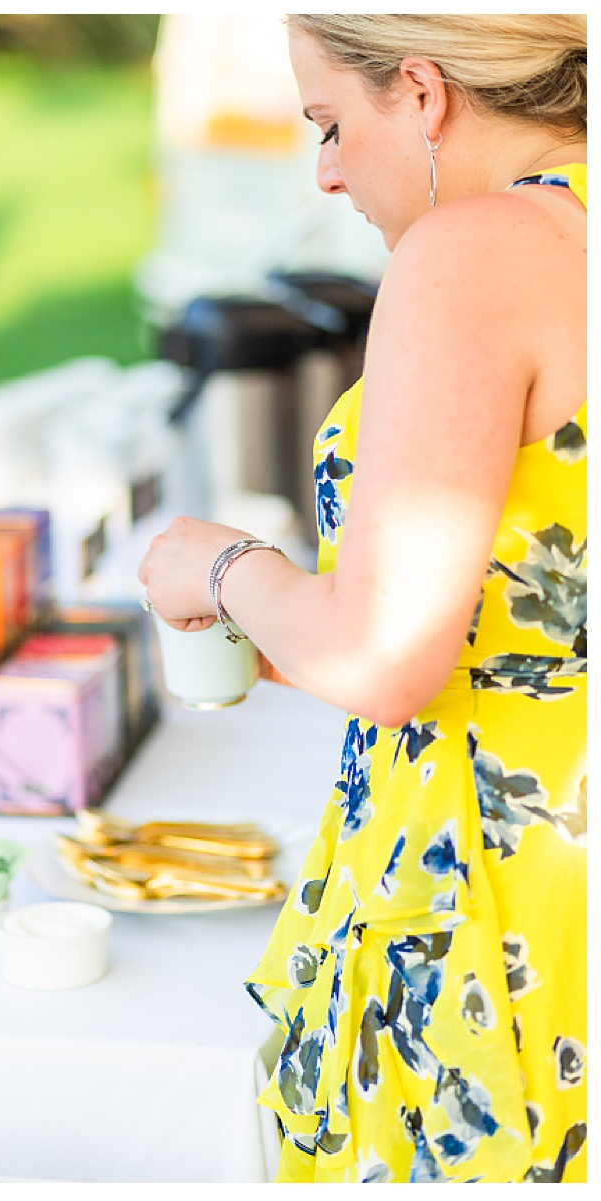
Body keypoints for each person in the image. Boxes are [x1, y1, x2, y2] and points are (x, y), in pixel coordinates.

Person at [137, 15, 586, 1183]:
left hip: (503, 906)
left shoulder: (479, 251)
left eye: (332, 124)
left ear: (425, 93)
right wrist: (304, 634)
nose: (326, 170)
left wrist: (230, 573)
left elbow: (389, 658)